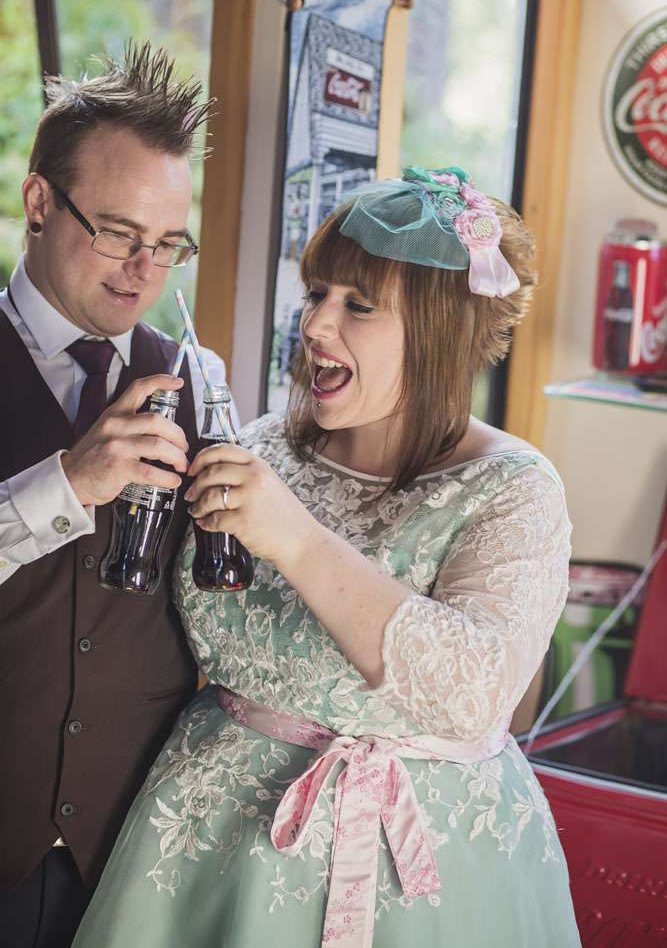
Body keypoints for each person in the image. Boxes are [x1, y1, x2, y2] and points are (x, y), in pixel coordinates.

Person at [73, 166, 582, 947]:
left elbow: (477, 693)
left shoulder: (511, 490)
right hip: (212, 849)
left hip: (422, 872)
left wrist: (299, 541)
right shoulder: (264, 444)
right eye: (315, 294)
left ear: (439, 332)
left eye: (357, 305)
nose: (314, 324)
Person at [0, 42, 230, 948]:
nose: (143, 270)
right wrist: (65, 483)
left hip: (133, 857)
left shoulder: (198, 379)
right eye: (118, 233)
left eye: (167, 244)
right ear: (38, 203)